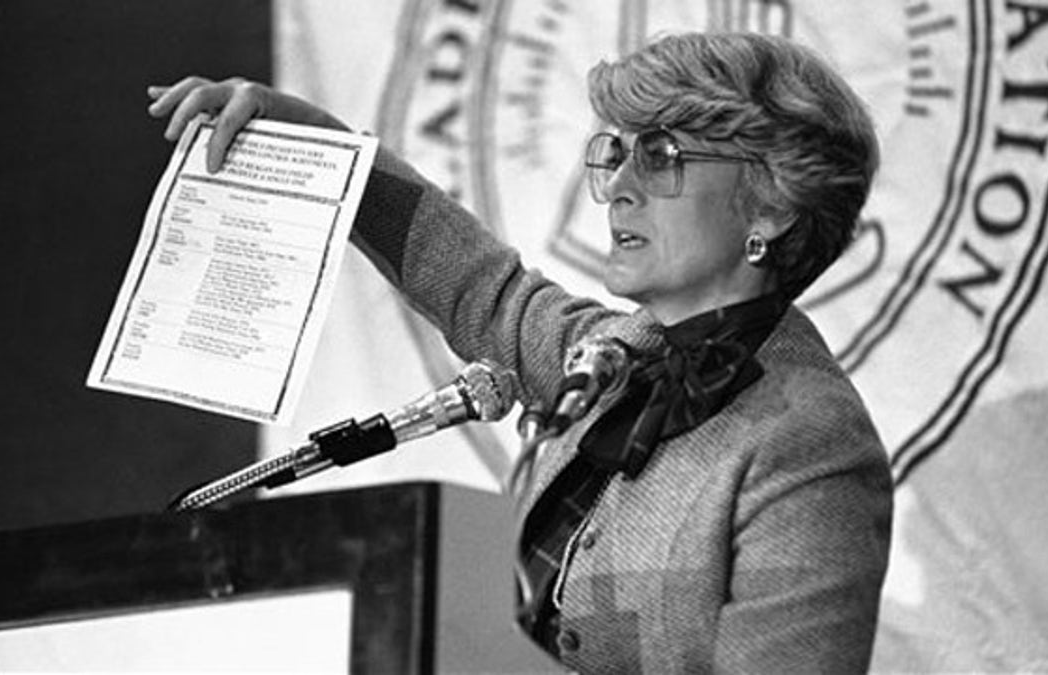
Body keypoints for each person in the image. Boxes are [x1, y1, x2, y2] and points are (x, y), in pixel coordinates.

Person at [149, 31, 893, 674]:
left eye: (661, 155)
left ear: (773, 204)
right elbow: (475, 282)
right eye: (618, 154)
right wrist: (312, 140)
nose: (619, 188)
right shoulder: (606, 358)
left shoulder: (811, 443)